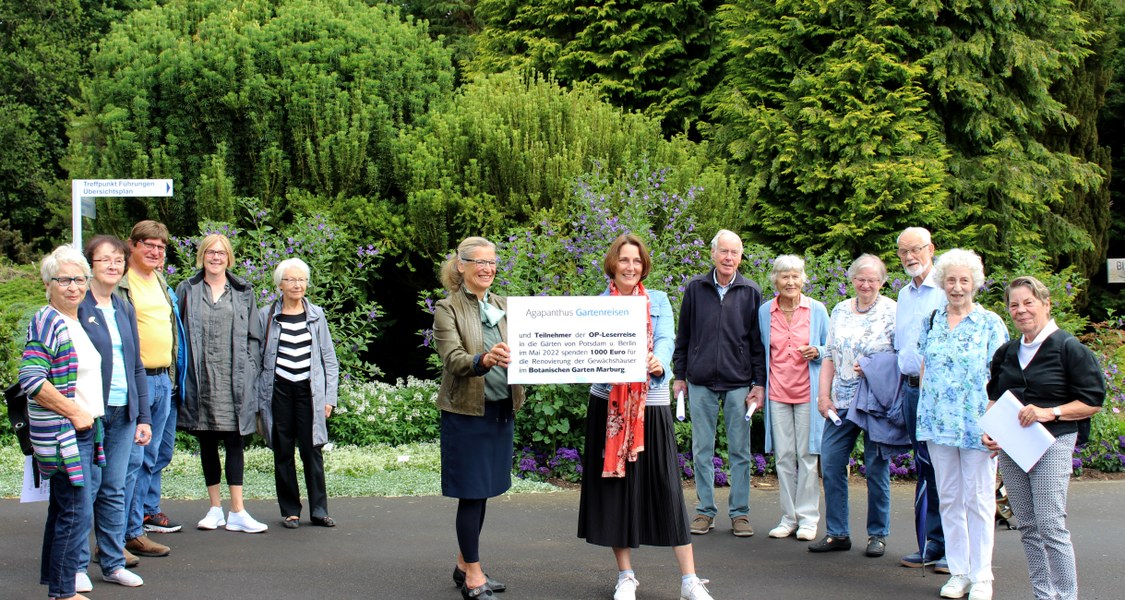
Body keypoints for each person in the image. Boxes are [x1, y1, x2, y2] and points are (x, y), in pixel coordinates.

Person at [578, 234, 716, 600]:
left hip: (650, 405)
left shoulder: (657, 300)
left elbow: (668, 341)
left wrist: (659, 362)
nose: (630, 267)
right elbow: (585, 353)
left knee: (667, 488)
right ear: (613, 263)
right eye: (624, 260)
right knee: (615, 491)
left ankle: (689, 580)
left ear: (644, 266)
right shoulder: (596, 305)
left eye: (637, 261)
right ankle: (626, 576)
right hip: (608, 406)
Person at [983, 276, 1105, 600]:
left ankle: (1066, 596)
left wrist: (1050, 412)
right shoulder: (1007, 352)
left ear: (1046, 304)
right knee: (1027, 525)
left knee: (1050, 524)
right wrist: (990, 430)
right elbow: (995, 395)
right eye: (1014, 304)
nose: (1021, 310)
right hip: (1013, 446)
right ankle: (1043, 594)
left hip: (1054, 442)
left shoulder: (1068, 348)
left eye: (1028, 302)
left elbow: (1092, 401)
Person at [433, 236, 525, 600]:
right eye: (479, 262)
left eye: (492, 262)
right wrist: (483, 359)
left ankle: (463, 563)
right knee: (471, 494)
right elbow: (453, 359)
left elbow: (533, 346)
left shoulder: (505, 305)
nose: (487, 268)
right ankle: (473, 575)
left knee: (484, 492)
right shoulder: (447, 308)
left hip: (501, 411)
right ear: (461, 265)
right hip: (467, 415)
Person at [915, 249, 1008, 600]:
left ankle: (982, 576)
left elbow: (1001, 378)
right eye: (951, 280)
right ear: (942, 282)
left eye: (964, 280)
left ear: (975, 284)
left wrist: (997, 424)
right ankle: (959, 572)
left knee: (980, 499)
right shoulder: (933, 319)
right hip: (938, 423)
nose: (957, 287)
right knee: (950, 498)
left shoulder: (990, 323)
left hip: (976, 426)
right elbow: (925, 367)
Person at [18, 246, 105, 600]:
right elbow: (31, 378)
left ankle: (58, 587)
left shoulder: (75, 320)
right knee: (74, 515)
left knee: (64, 512)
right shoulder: (47, 320)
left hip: (83, 432)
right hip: (66, 435)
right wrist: (73, 411)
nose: (73, 286)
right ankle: (63, 593)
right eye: (64, 279)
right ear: (48, 283)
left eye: (80, 279)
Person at [671, 229, 766, 538]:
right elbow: (683, 336)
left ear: (740, 257)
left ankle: (740, 514)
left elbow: (757, 343)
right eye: (723, 251)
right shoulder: (696, 288)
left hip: (739, 383)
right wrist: (679, 375)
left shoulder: (751, 291)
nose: (728, 258)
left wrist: (759, 383)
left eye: (734, 253)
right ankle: (704, 511)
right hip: (699, 382)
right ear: (712, 254)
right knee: (701, 449)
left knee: (740, 450)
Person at [74, 236, 152, 591]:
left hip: (123, 412)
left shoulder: (123, 306)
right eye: (105, 259)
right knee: (84, 490)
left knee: (114, 489)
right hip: (88, 412)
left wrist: (144, 416)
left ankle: (112, 562)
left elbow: (135, 365)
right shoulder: (78, 305)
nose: (113, 265)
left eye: (118, 259)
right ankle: (75, 566)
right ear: (90, 264)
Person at [176, 233, 266, 533]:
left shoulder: (242, 291)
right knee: (207, 442)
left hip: (234, 379)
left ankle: (238, 510)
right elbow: (177, 332)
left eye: (222, 253)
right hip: (201, 379)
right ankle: (214, 508)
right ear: (202, 255)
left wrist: (251, 368)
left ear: (229, 258)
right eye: (210, 252)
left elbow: (254, 336)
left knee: (235, 441)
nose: (216, 257)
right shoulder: (186, 289)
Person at [810, 254, 897, 557]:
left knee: (876, 467)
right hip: (842, 400)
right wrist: (823, 396)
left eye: (872, 279)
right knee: (832, 463)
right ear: (852, 280)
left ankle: (878, 534)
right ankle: (837, 533)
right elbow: (830, 355)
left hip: (876, 402)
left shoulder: (892, 312)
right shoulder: (840, 310)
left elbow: (902, 360)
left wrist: (874, 364)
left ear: (882, 282)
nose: (865, 284)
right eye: (860, 278)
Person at [117, 220, 184, 559]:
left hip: (163, 379)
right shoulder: (121, 284)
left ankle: (134, 529)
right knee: (130, 461)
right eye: (149, 245)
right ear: (133, 245)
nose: (156, 252)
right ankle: (117, 537)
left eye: (160, 247)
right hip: (137, 380)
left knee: (153, 457)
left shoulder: (158, 280)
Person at [257, 258, 340, 528]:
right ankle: (290, 510)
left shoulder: (316, 314)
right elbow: (256, 358)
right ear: (280, 284)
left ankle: (319, 510)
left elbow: (329, 358)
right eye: (291, 280)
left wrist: (330, 398)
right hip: (278, 390)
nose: (297, 285)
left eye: (302, 279)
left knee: (312, 450)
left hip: (309, 391)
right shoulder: (266, 316)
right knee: (282, 450)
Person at [758, 255, 829, 542]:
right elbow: (761, 351)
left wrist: (819, 351)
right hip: (777, 392)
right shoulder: (765, 312)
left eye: (795, 276)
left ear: (803, 279)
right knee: (784, 457)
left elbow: (831, 347)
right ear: (774, 280)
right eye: (784, 276)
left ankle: (808, 518)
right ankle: (789, 517)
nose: (790, 282)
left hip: (807, 394)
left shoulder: (818, 310)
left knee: (808, 456)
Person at [893, 227, 948, 571]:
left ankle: (946, 548)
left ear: (931, 249)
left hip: (938, 394)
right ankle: (929, 544)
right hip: (911, 389)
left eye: (916, 250)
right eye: (903, 252)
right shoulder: (903, 294)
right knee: (924, 465)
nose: (910, 257)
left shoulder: (945, 290)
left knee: (942, 468)